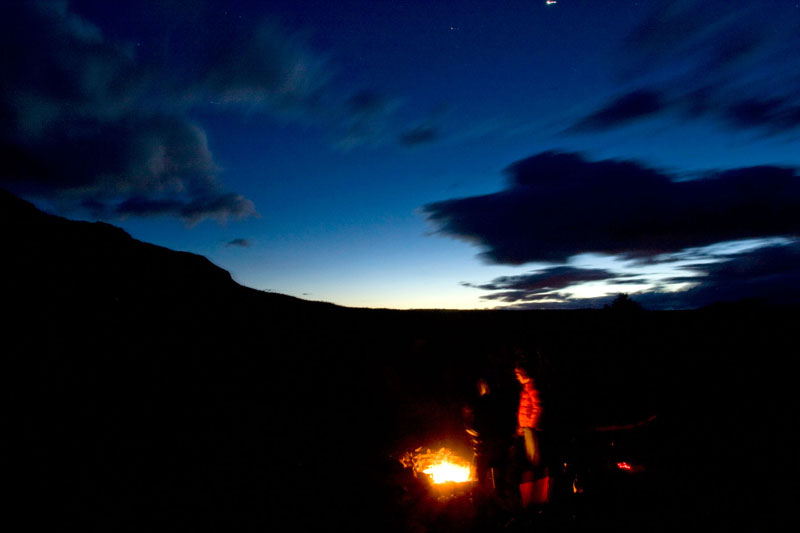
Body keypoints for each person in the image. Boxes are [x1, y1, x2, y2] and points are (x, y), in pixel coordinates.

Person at [514, 361, 548, 509]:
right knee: (532, 462)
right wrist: (522, 426)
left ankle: (539, 499)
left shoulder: (532, 386)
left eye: (517, 374)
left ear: (524, 373)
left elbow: (538, 406)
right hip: (528, 430)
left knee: (535, 462)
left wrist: (530, 426)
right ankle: (535, 498)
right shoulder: (527, 388)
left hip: (531, 431)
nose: (516, 377)